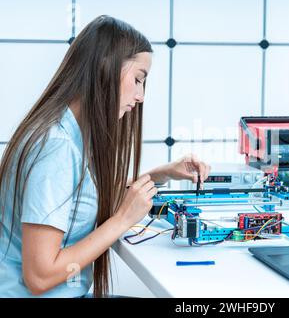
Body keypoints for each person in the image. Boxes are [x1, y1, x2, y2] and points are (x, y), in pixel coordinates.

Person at [0, 15, 210, 298]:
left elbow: (80, 195)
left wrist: (162, 174)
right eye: (138, 79)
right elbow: (40, 276)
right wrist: (123, 219)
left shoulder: (66, 130)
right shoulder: (56, 148)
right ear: (104, 67)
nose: (140, 96)